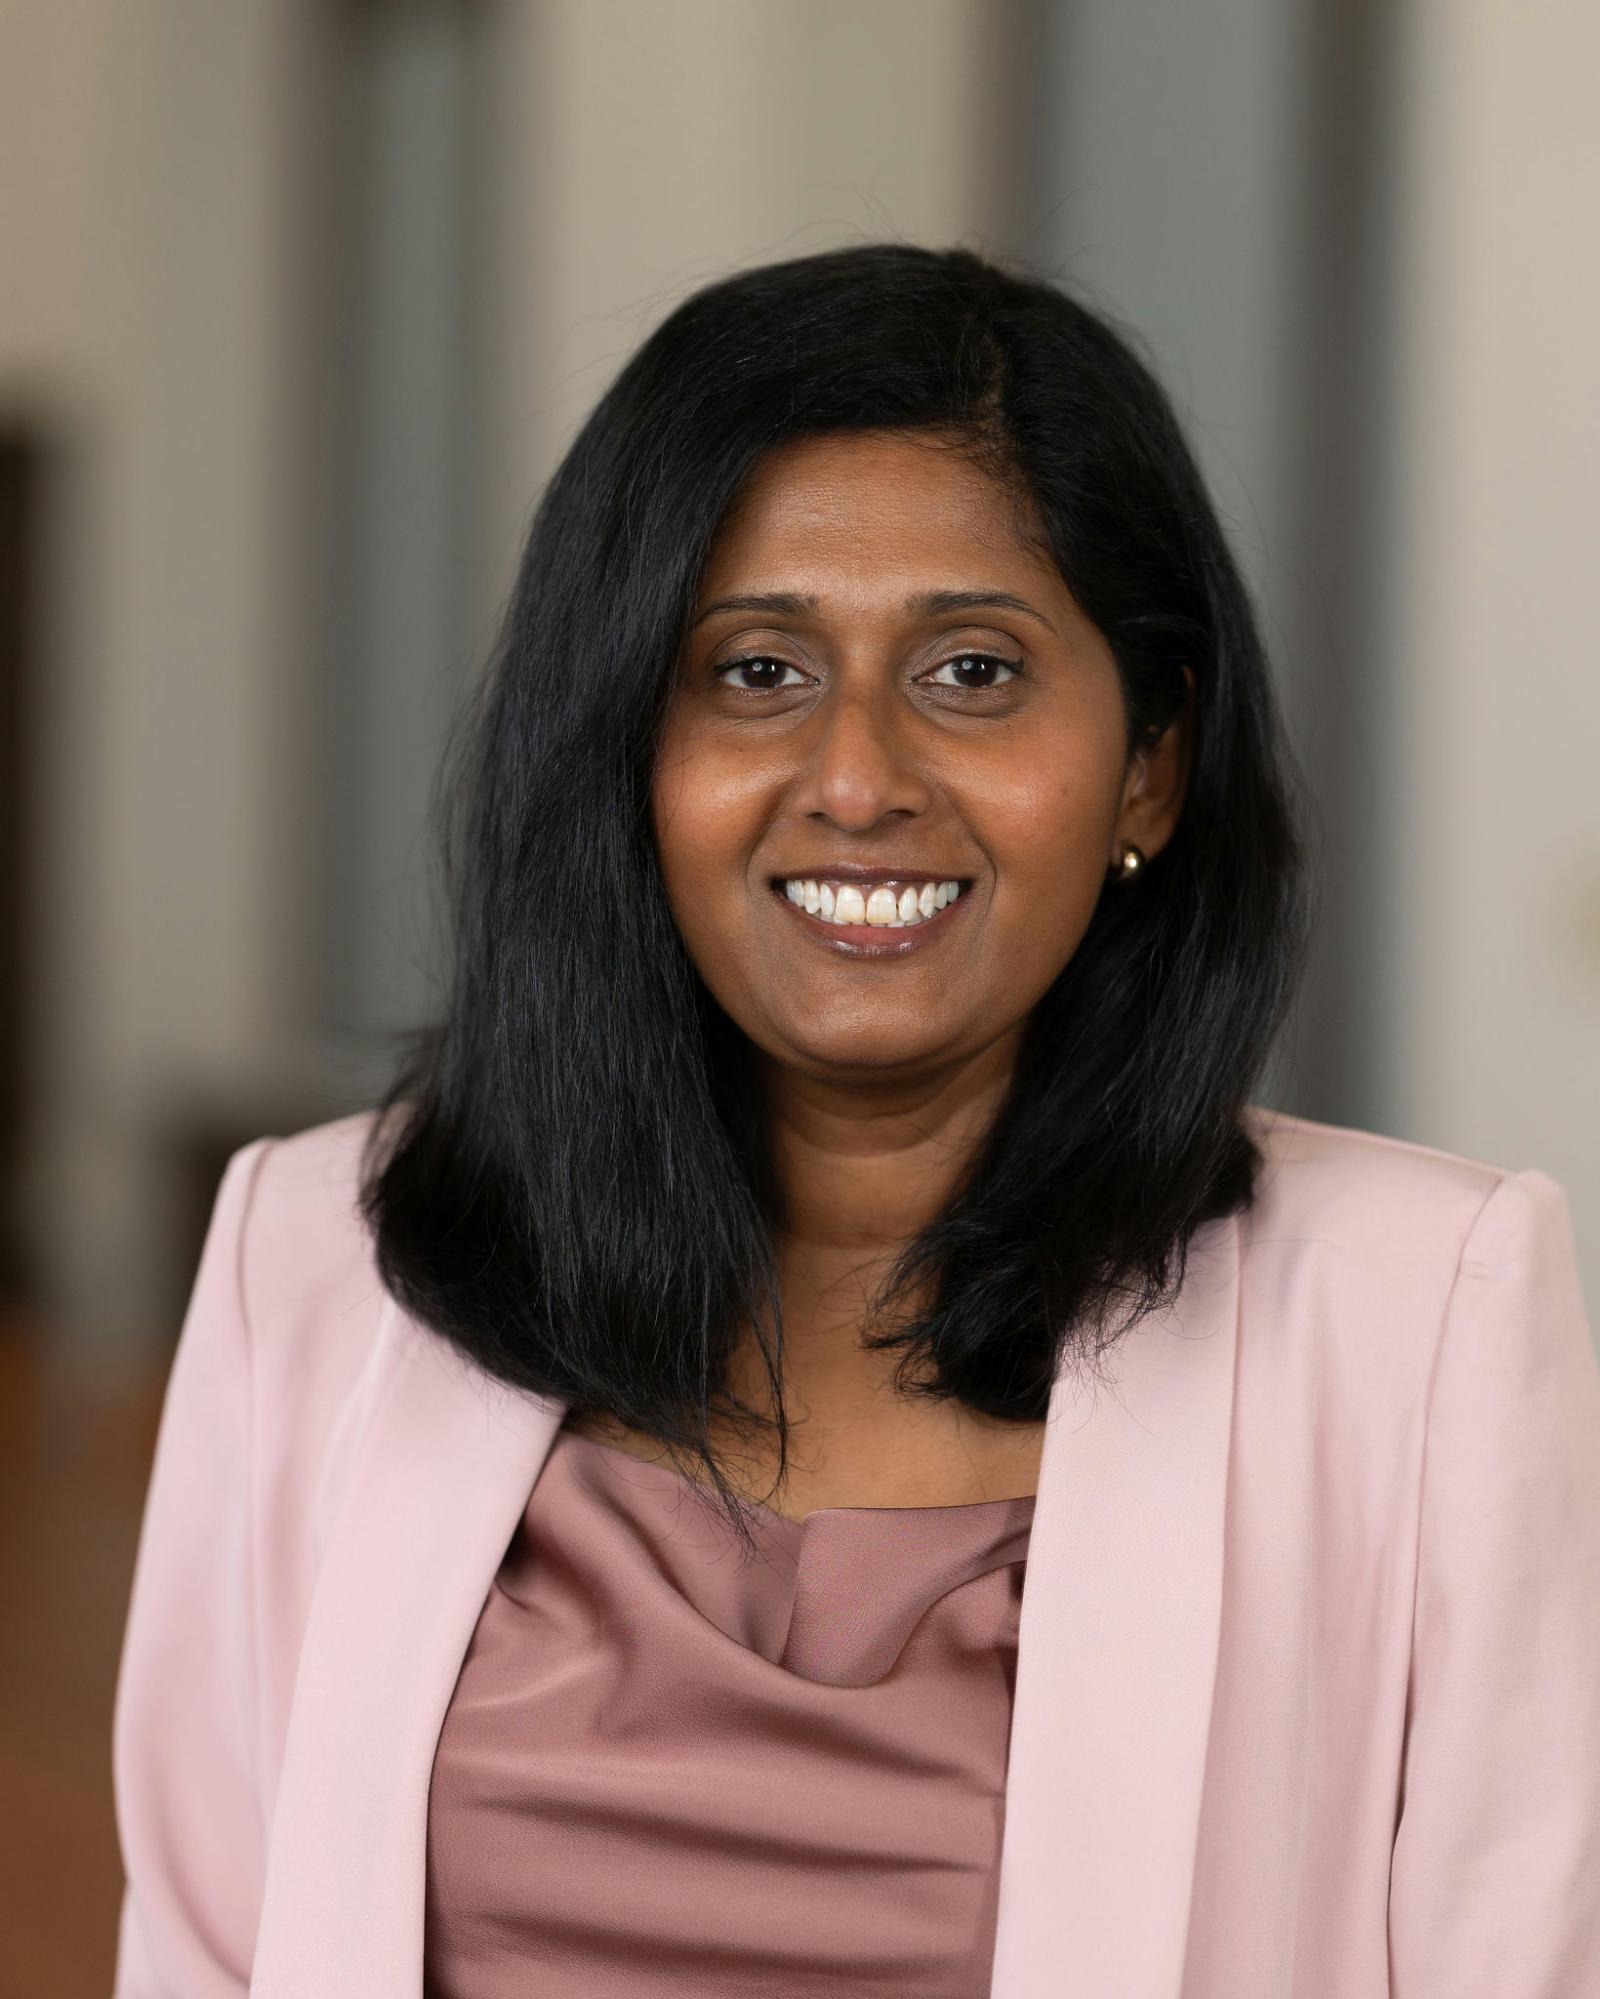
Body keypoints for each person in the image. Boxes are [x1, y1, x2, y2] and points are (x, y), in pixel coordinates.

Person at [110, 243, 1600, 1998]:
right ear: (620, 747)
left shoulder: (1420, 1317)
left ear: (1149, 762)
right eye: (755, 672)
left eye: (974, 671)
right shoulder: (313, 1258)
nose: (859, 778)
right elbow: (204, 1952)